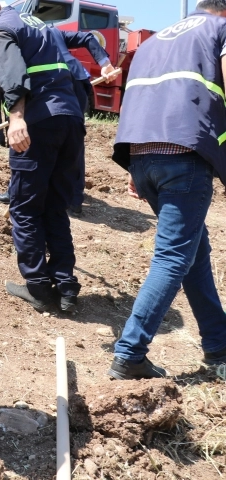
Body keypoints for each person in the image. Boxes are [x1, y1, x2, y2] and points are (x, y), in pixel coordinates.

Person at [107, 0, 226, 380]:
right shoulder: (219, 30)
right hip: (184, 157)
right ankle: (129, 353)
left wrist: (134, 165)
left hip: (142, 156)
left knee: (194, 249)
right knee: (173, 256)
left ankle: (219, 343)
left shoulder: (155, 41)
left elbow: (136, 97)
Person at [0, 0, 84, 313]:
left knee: (24, 206)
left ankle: (38, 287)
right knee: (54, 205)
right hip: (69, 119)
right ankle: (65, 286)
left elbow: (12, 77)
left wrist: (16, 116)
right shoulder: (38, 24)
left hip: (38, 122)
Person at [0, 28, 118, 209]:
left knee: (30, 130)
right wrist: (104, 63)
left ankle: (18, 192)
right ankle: (73, 199)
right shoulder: (50, 30)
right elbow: (87, 36)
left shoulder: (16, 31)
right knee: (73, 139)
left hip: (53, 83)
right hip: (75, 80)